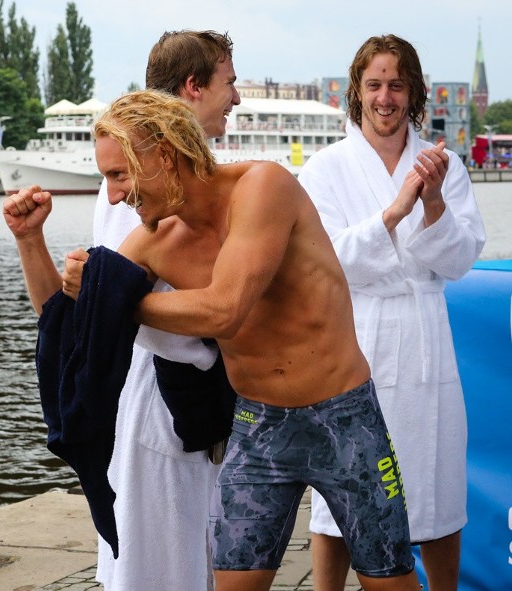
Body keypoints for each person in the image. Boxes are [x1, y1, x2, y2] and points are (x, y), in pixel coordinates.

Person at [59, 89, 422, 591]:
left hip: (344, 418)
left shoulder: (262, 187)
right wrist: (35, 245)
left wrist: (117, 300)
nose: (115, 195)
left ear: (164, 155)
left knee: (390, 582)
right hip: (258, 427)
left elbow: (226, 308)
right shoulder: (154, 241)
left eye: (118, 175)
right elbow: (72, 321)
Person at [4, 30, 239, 591]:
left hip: (195, 404)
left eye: (114, 178)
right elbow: (81, 311)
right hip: (160, 405)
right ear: (194, 85)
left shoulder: (201, 180)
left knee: (187, 560)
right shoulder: (142, 187)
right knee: (158, 565)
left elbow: (89, 305)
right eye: (229, 82)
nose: (235, 97)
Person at [298, 34, 485, 591]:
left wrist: (433, 209)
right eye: (374, 85)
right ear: (356, 93)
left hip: (426, 342)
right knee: (338, 493)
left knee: (437, 486)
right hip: (357, 340)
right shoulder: (327, 168)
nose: (385, 98)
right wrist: (396, 210)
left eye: (396, 85)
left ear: (414, 93)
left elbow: (461, 259)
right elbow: (322, 260)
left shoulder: (443, 165)